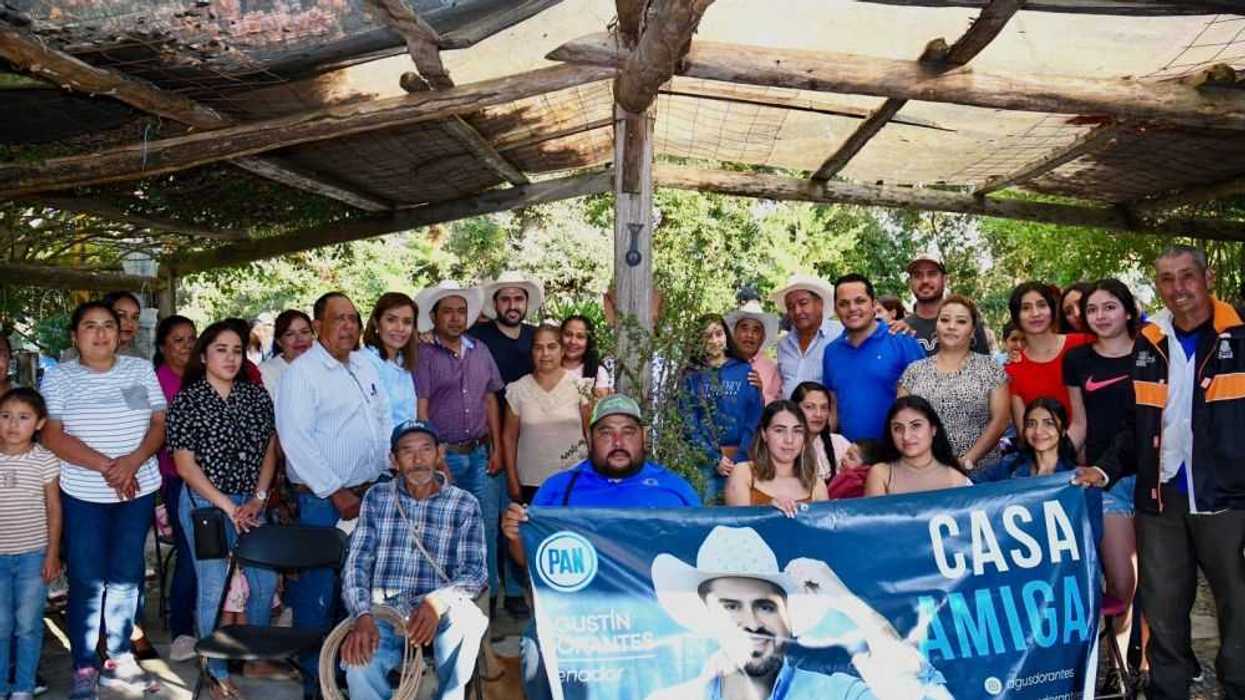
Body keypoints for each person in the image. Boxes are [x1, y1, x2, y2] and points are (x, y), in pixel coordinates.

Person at [1076, 245, 1245, 700]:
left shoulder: (1239, 336)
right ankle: (1168, 689)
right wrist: (1104, 470)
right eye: (1167, 279)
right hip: (1161, 492)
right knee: (1163, 601)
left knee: (1238, 599)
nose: (1178, 288)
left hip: (1228, 495)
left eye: (1187, 276)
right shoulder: (1150, 342)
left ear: (1208, 278)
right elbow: (1137, 424)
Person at [647, 526, 949, 700]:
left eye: (765, 606)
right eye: (730, 606)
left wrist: (846, 601)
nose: (751, 623)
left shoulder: (833, 694)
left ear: (788, 619)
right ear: (707, 617)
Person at [40, 301, 166, 699]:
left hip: (137, 489)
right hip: (84, 494)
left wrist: (131, 463)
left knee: (127, 577)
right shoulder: (59, 378)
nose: (101, 333)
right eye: (90, 326)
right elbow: (53, 436)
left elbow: (159, 424)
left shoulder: (139, 369)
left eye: (108, 325)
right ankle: (83, 663)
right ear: (75, 336)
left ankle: (119, 658)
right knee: (87, 579)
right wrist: (110, 467)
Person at [275, 292, 391, 698]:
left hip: (368, 495)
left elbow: (381, 419)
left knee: (355, 591)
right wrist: (335, 490)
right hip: (323, 502)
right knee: (316, 596)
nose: (348, 326)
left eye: (353, 318)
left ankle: (345, 674)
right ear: (319, 325)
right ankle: (314, 682)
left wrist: (385, 473)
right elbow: (294, 440)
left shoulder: (364, 364)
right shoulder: (302, 372)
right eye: (338, 319)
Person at [167, 321, 278, 699]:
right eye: (221, 349)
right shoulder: (187, 400)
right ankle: (214, 671)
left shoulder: (256, 397)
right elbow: (185, 466)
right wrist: (230, 507)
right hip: (206, 505)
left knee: (263, 584)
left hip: (251, 502)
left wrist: (257, 499)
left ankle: (252, 655)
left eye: (236, 350)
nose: (230, 357)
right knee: (213, 586)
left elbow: (269, 451)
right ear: (204, 355)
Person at [340, 420, 488, 700]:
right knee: (360, 666)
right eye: (407, 451)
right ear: (394, 460)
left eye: (426, 449)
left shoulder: (464, 503)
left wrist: (436, 601)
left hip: (440, 608)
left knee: (467, 622)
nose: (418, 460)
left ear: (440, 454)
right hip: (384, 611)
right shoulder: (377, 498)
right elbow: (357, 563)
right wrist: (361, 614)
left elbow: (476, 573)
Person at [1063, 279, 1143, 671]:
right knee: (1122, 585)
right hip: (1103, 482)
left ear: (1127, 310)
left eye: (1109, 307)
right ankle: (1116, 662)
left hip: (1155, 481)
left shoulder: (1152, 353)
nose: (1100, 316)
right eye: (1092, 309)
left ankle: (1135, 667)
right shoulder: (1078, 361)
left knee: (1160, 584)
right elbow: (1078, 424)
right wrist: (1056, 466)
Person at [414, 282, 505, 610]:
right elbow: (421, 407)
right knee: (445, 531)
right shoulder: (423, 354)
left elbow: (490, 398)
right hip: (445, 456)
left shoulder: (480, 350)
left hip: (480, 454)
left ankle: (488, 598)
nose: (455, 317)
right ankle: (449, 604)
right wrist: (434, 456)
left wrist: (496, 448)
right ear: (434, 316)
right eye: (447, 311)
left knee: (486, 528)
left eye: (461, 311)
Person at [898, 295, 1010, 471]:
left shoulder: (991, 368)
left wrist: (968, 461)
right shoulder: (914, 371)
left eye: (961, 321)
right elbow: (901, 421)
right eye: (944, 320)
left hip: (982, 477)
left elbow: (1000, 420)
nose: (951, 326)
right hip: (925, 474)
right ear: (937, 326)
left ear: (973, 330)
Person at [0, 388, 61, 700]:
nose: (13, 425)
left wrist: (52, 553)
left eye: (23, 418)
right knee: (0, 624)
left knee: (27, 624)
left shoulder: (45, 460)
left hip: (33, 556)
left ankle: (23, 685)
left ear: (39, 423)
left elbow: (54, 509)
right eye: (6, 416)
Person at [822, 274, 925, 442]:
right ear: (836, 309)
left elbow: (926, 400)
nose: (852, 308)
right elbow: (833, 407)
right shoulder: (831, 352)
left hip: (899, 456)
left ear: (874, 304)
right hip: (851, 458)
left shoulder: (902, 341)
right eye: (844, 304)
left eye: (860, 301)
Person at [151, 315, 200, 662]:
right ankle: (182, 630)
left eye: (191, 338)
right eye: (178, 340)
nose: (186, 346)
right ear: (163, 346)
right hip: (177, 478)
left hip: (214, 478)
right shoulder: (156, 382)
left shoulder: (203, 375)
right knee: (190, 553)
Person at [680, 315, 763, 504]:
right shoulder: (691, 377)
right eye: (707, 336)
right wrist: (713, 458)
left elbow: (755, 416)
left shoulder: (744, 371)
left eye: (718, 334)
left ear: (726, 336)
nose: (715, 341)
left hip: (742, 459)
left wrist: (741, 455)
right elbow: (689, 422)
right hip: (705, 463)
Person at [502, 326, 590, 505]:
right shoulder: (517, 390)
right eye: (538, 347)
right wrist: (512, 479)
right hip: (530, 483)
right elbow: (508, 438)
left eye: (551, 347)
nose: (545, 353)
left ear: (563, 350)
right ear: (532, 351)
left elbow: (590, 433)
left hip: (573, 481)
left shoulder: (581, 387)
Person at [1004, 281, 1093, 440]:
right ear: (1016, 316)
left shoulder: (1083, 342)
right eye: (1026, 308)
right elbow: (1025, 432)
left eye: (1041, 305)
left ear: (1052, 310)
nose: (1035, 313)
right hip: (1052, 457)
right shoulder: (1013, 369)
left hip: (1105, 451)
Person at [725, 400, 828, 515]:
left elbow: (822, 531)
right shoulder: (743, 473)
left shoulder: (816, 484)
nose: (789, 440)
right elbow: (738, 527)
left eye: (797, 431)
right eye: (779, 430)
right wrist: (769, 511)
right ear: (764, 434)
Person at [865, 396, 971, 497]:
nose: (906, 436)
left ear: (933, 429)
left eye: (916, 426)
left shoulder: (957, 479)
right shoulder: (881, 474)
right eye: (898, 428)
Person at [972, 398, 1078, 482]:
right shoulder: (1009, 466)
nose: (1038, 431)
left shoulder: (1076, 476)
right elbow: (970, 485)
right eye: (1031, 424)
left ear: (1063, 430)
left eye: (1049, 423)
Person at [902, 253, 989, 356]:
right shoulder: (900, 330)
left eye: (932, 274)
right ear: (910, 282)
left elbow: (984, 367)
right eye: (918, 275)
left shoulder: (967, 323)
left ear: (945, 279)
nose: (925, 280)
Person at [770, 274, 843, 397]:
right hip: (790, 415)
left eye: (803, 303)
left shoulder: (840, 335)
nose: (797, 311)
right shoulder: (784, 344)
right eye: (791, 307)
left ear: (820, 303)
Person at [362, 293, 419, 426]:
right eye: (391, 320)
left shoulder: (402, 361)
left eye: (407, 322)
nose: (400, 328)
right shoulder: (364, 362)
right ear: (376, 323)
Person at [789, 382, 850, 483]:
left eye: (824, 408)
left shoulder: (839, 443)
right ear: (794, 409)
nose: (818, 414)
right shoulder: (785, 446)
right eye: (809, 407)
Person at [724, 300, 782, 405]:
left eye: (756, 330)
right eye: (744, 328)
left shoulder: (771, 369)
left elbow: (775, 409)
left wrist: (758, 395)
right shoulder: (721, 361)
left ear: (762, 337)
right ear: (734, 333)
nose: (749, 335)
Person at [259, 309, 315, 398]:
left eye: (304, 332)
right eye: (290, 334)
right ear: (279, 341)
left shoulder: (325, 365)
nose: (299, 339)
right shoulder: (266, 372)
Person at [559, 315, 612, 397]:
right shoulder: (547, 366)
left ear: (588, 342)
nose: (573, 341)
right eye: (568, 334)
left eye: (580, 337)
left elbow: (599, 407)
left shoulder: (598, 372)